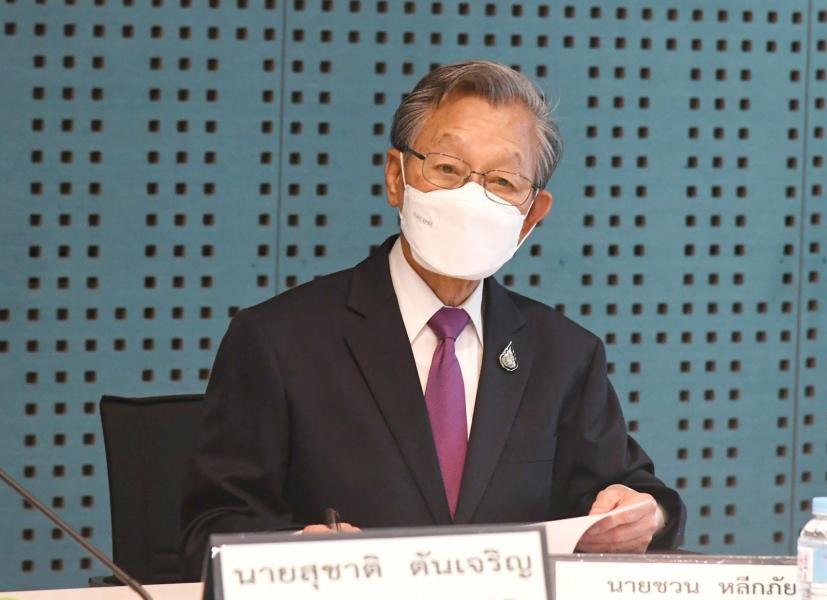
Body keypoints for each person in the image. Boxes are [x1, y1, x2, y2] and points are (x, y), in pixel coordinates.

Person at [180, 60, 686, 580]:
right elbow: (209, 530)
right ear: (396, 177)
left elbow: (636, 496)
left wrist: (647, 515)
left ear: (531, 216)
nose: (471, 197)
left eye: (503, 180)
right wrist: (293, 553)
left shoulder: (564, 356)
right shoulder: (279, 341)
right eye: (447, 169)